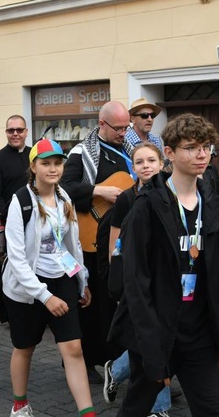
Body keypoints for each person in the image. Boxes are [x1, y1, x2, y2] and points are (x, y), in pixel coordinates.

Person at [108, 113, 219, 416]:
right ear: (170, 154)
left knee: (211, 411)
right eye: (191, 147)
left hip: (200, 333)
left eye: (206, 147)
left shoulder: (214, 201)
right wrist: (152, 350)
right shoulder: (146, 206)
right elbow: (136, 284)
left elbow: (217, 276)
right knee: (137, 408)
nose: (201, 154)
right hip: (159, 331)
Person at [3, 138, 94, 417]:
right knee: (25, 347)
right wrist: (45, 296)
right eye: (46, 163)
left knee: (74, 348)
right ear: (34, 166)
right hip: (26, 287)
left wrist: (82, 280)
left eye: (57, 163)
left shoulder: (64, 197)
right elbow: (17, 259)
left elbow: (71, 245)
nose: (53, 169)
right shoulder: (20, 201)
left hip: (61, 278)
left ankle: (87, 413)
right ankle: (20, 404)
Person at [61, 101, 134, 382]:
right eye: (119, 128)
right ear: (101, 124)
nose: (124, 133)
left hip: (124, 237)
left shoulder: (130, 151)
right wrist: (99, 190)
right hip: (93, 239)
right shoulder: (82, 153)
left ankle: (120, 360)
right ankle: (89, 359)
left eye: (126, 127)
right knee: (93, 304)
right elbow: (65, 188)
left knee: (116, 302)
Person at [102, 142, 173, 415]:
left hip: (164, 282)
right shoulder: (126, 199)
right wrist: (118, 280)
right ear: (133, 167)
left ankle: (116, 369)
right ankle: (159, 407)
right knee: (148, 342)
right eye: (140, 162)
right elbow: (115, 243)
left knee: (159, 341)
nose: (146, 166)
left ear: (161, 163)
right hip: (136, 282)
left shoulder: (172, 194)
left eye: (151, 161)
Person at [0, 115, 32, 320]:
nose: (15, 134)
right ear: (6, 132)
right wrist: (10, 218)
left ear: (26, 132)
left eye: (19, 130)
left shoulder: (33, 155)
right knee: (3, 264)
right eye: (11, 130)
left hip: (33, 219)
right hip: (6, 223)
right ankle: (7, 311)